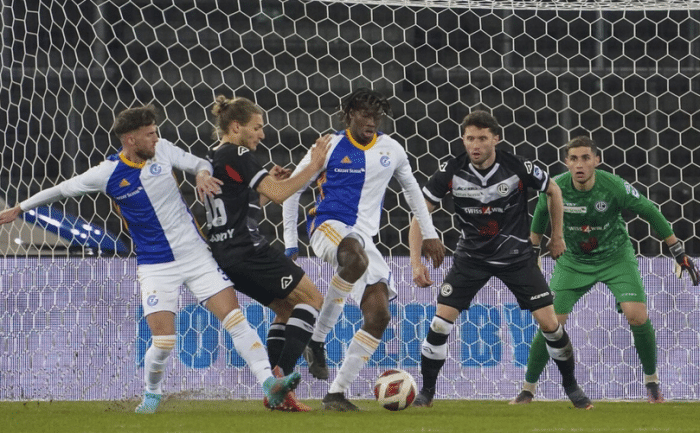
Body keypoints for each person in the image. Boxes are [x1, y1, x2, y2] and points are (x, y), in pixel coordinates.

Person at [0, 105, 301, 413]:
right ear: (130, 139)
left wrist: (201, 174)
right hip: (156, 266)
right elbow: (62, 190)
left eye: (156, 132)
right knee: (164, 342)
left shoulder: (163, 150)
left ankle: (269, 383)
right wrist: (19, 208)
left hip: (196, 256)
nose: (156, 138)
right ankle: (152, 394)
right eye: (149, 134)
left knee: (235, 320)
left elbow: (199, 162)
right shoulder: (107, 173)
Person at [409, 110, 592, 409]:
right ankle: (426, 392)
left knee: (550, 324)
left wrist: (557, 236)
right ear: (463, 140)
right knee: (440, 324)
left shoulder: (516, 166)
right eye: (470, 138)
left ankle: (572, 388)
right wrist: (416, 262)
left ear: (496, 138)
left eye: (482, 138)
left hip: (516, 257)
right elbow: (420, 213)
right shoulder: (451, 170)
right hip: (471, 258)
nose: (475, 145)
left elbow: (554, 190)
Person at [282, 88, 445, 411]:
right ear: (349, 115)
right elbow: (291, 190)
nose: (371, 122)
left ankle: (336, 393)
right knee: (355, 256)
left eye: (376, 116)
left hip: (363, 240)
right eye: (365, 115)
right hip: (327, 226)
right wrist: (290, 243)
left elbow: (413, 192)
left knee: (379, 314)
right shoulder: (328, 146)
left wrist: (429, 233)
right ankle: (317, 338)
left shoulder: (391, 149)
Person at [511, 136, 699, 405]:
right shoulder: (555, 187)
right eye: (574, 159)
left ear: (596, 161)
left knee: (636, 316)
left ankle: (652, 383)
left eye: (585, 158)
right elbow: (541, 215)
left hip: (615, 258)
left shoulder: (613, 186)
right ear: (566, 162)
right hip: (573, 260)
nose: (579, 164)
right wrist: (532, 252)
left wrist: (677, 251)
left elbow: (649, 210)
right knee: (551, 324)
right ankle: (528, 390)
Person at [204, 95, 332, 411]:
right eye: (257, 127)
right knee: (313, 299)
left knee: (286, 311)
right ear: (236, 127)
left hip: (225, 255)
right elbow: (278, 195)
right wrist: (313, 166)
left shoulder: (214, 156)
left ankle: (277, 395)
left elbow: (243, 203)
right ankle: (280, 380)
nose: (262, 134)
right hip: (249, 250)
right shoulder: (238, 153)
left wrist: (268, 182)